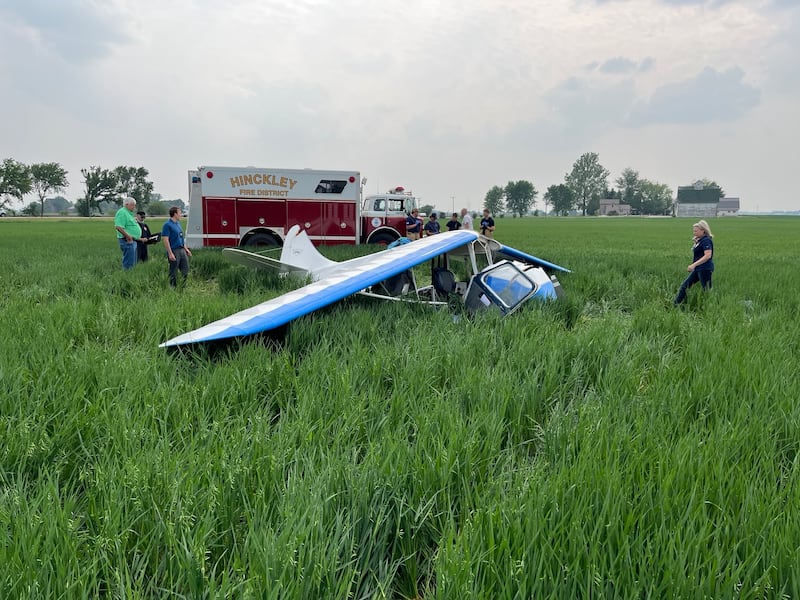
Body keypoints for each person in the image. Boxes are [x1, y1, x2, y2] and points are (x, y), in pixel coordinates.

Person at [674, 219, 714, 305]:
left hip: (705, 269)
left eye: (696, 231)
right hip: (698, 269)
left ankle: (711, 307)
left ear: (703, 231)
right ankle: (675, 305)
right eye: (693, 231)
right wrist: (695, 243)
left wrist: (693, 265)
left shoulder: (706, 240)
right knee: (685, 286)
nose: (694, 233)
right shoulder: (700, 241)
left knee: (707, 290)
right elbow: (698, 252)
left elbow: (708, 255)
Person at [162, 206, 193, 288]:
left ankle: (183, 286)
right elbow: (165, 240)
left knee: (185, 270)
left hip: (182, 250)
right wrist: (170, 253)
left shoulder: (178, 224)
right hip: (174, 250)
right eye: (179, 213)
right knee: (174, 270)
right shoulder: (167, 225)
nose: (181, 214)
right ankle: (173, 287)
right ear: (175, 214)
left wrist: (186, 249)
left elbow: (181, 238)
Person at [114, 197, 142, 270]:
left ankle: (131, 276)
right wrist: (128, 236)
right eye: (132, 205)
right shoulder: (122, 212)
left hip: (133, 240)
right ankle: (127, 276)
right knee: (129, 264)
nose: (134, 207)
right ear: (126, 205)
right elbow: (118, 226)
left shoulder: (129, 213)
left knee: (133, 262)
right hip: (127, 241)